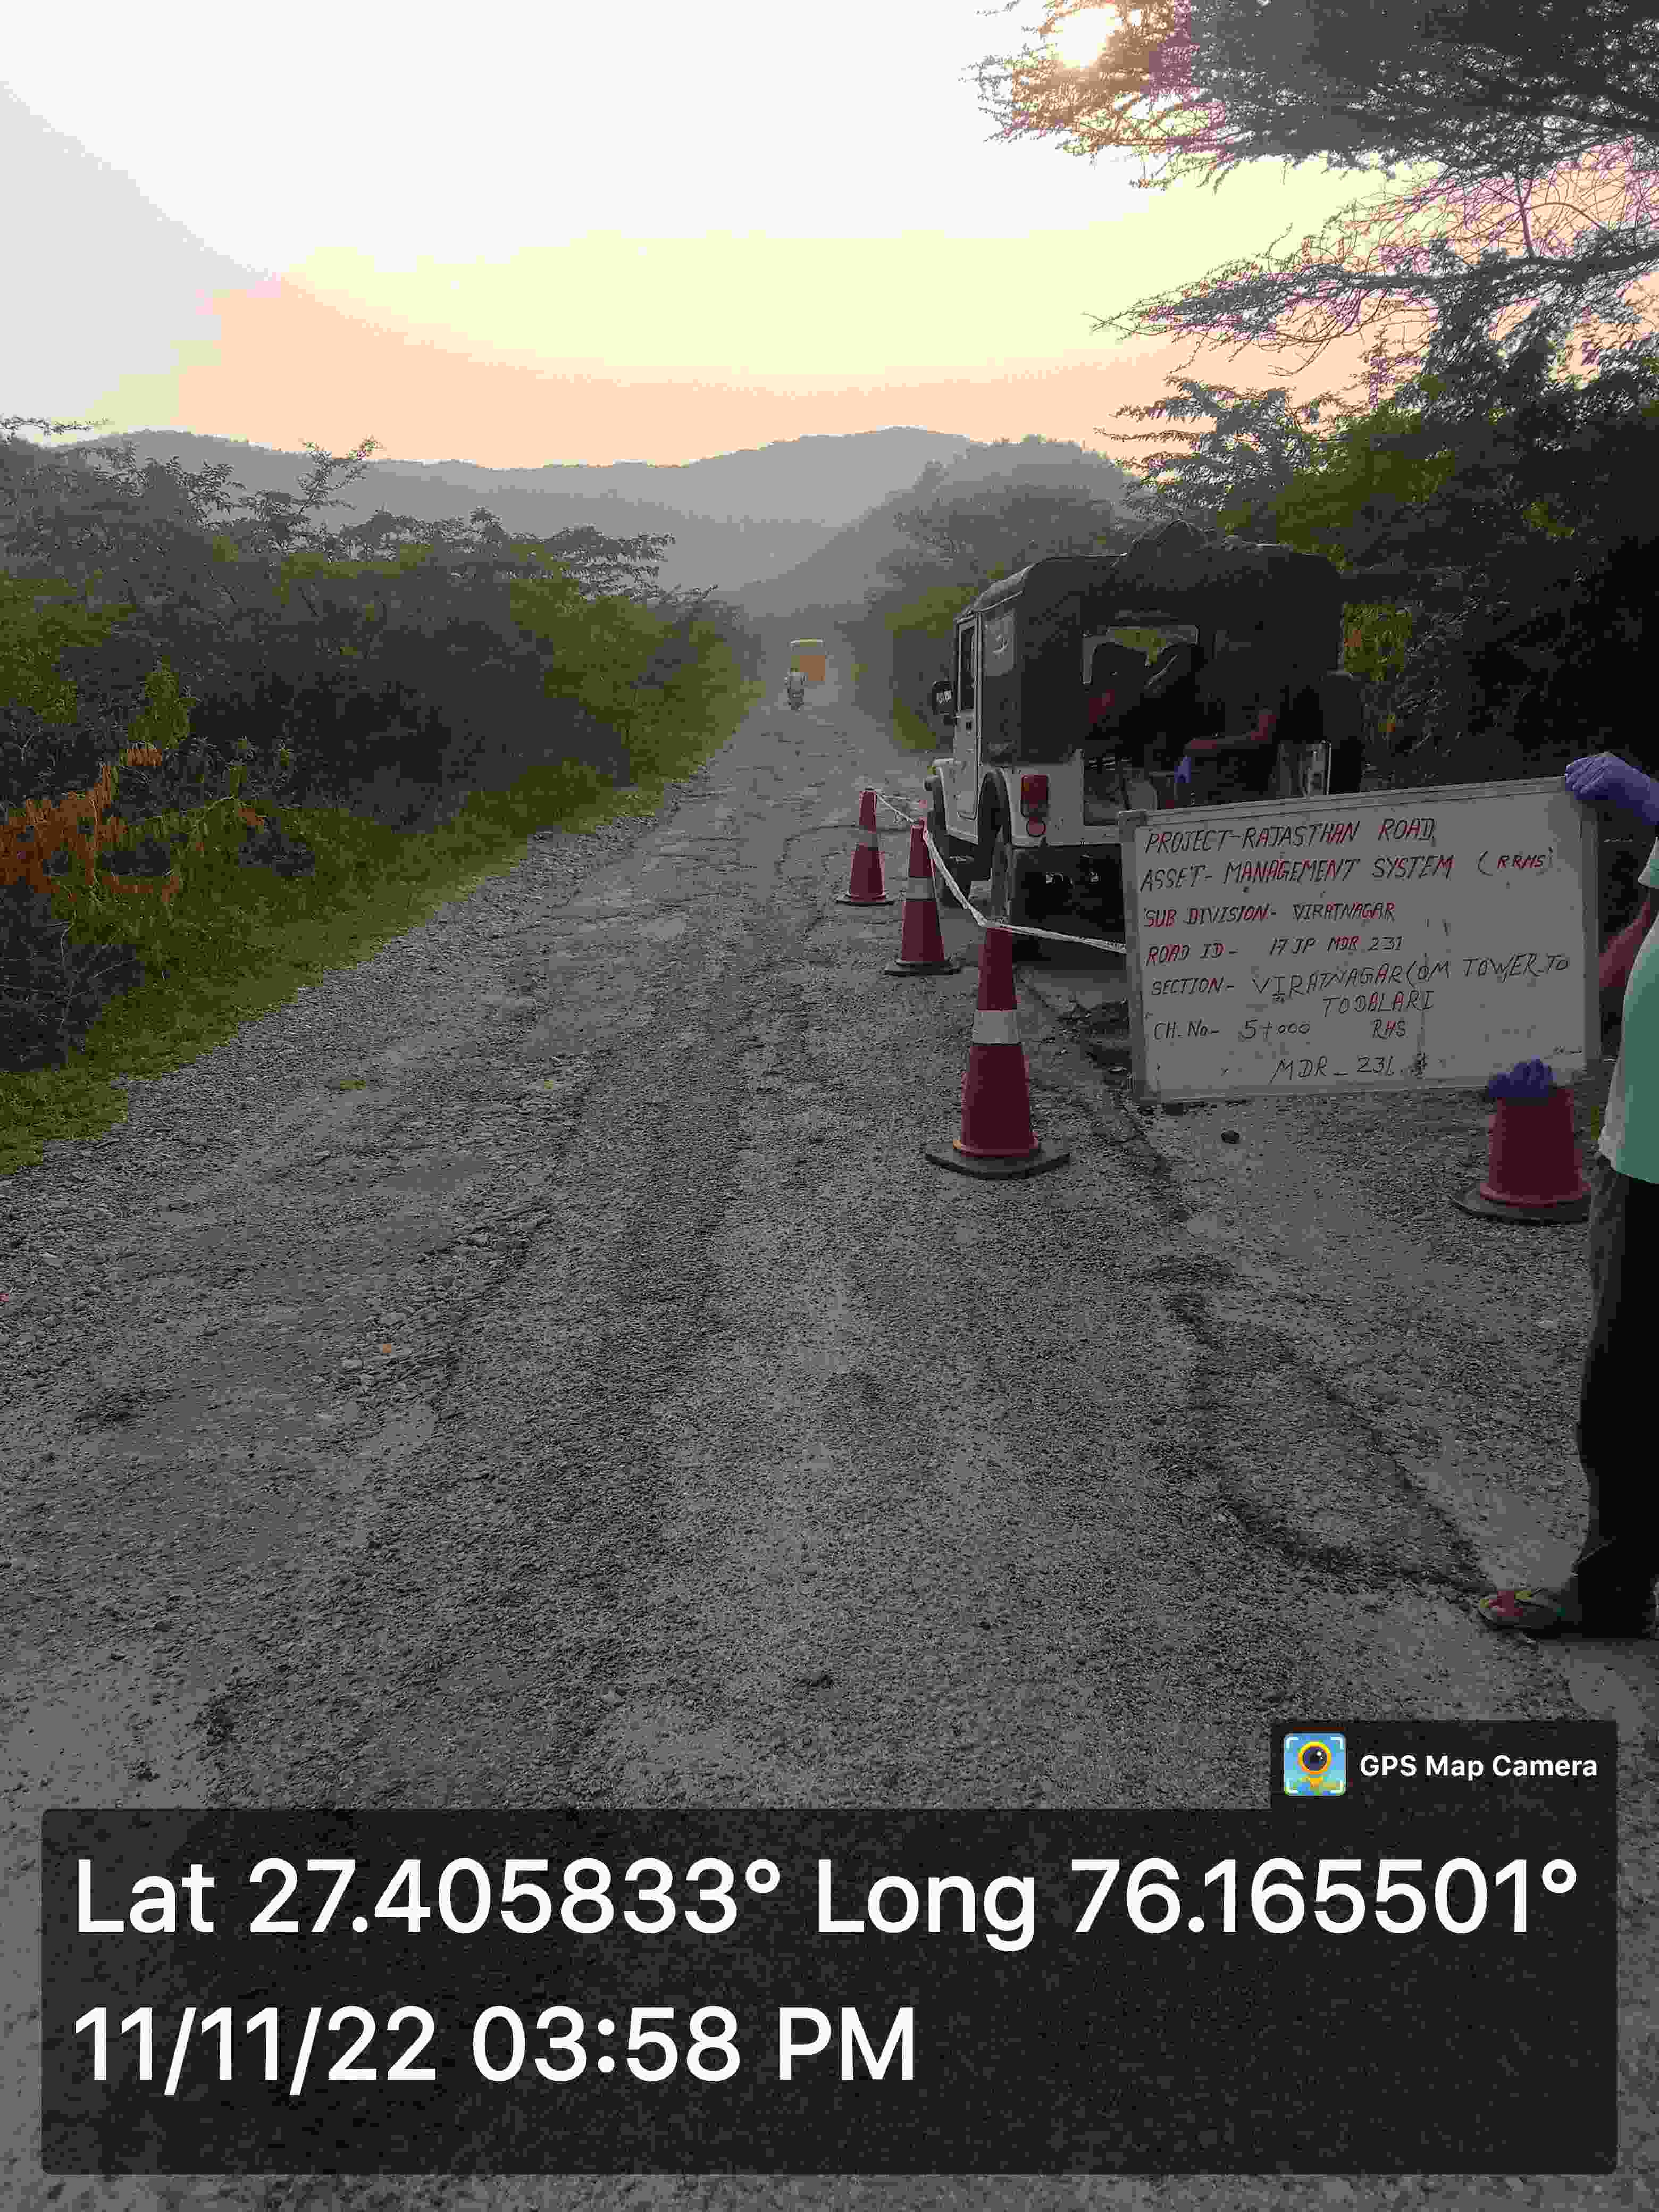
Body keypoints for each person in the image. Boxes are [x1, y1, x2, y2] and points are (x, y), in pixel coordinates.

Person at [1476, 751, 1659, 1637]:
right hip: (1639, 1154)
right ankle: (1611, 1590)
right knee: (1621, 1397)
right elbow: (1643, 938)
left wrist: (1651, 799)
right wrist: (1544, 1036)